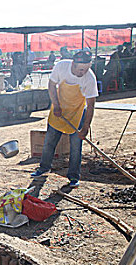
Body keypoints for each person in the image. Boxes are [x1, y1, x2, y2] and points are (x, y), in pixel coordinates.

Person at [31, 50, 99, 188]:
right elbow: (51, 86)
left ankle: (74, 176)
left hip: (76, 113)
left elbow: (91, 105)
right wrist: (56, 105)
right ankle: (44, 168)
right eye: (80, 69)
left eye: (86, 69)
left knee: (75, 147)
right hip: (58, 110)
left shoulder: (90, 79)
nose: (83, 72)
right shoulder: (61, 66)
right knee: (49, 142)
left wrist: (85, 128)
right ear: (73, 64)